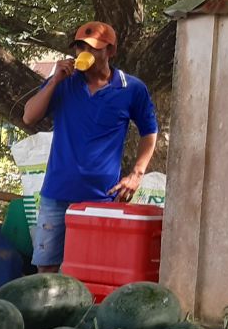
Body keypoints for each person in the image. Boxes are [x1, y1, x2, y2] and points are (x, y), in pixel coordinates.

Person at [21, 21, 158, 273]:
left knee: (94, 267)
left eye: (93, 48)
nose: (84, 53)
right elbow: (29, 117)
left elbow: (149, 132)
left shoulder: (132, 89)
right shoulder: (64, 83)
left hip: (102, 198)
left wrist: (136, 174)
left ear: (110, 52)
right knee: (47, 270)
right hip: (57, 194)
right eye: (80, 47)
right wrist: (53, 81)